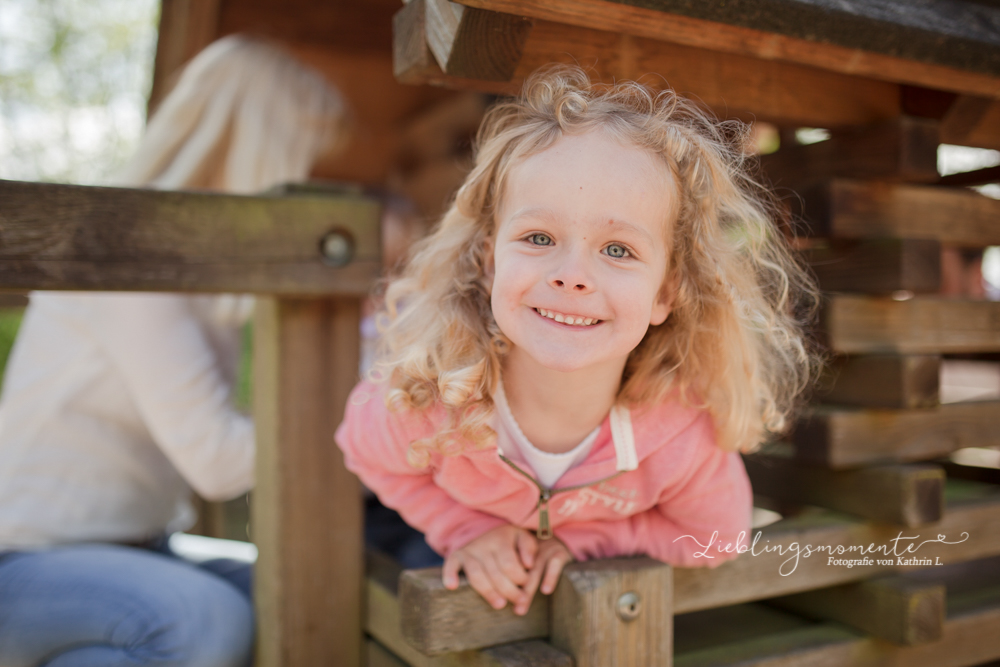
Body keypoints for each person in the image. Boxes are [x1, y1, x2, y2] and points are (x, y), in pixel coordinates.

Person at [336, 67, 819, 617]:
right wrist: (463, 528)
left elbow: (718, 536)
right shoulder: (432, 397)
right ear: (490, 262)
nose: (572, 275)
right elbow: (363, 450)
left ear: (667, 292)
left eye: (617, 249)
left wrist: (582, 541)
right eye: (538, 238)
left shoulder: (680, 432)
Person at [0, 36, 348, 667]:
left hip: (138, 547)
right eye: (306, 160)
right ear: (260, 152)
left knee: (308, 594)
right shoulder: (127, 258)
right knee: (204, 619)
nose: (315, 182)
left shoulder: (192, 277)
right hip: (23, 561)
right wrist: (377, 426)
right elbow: (214, 459)